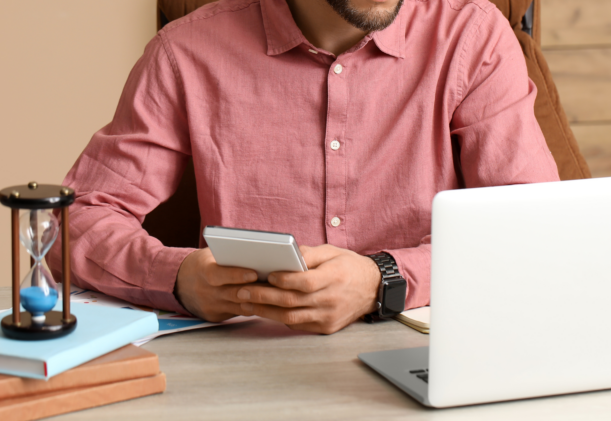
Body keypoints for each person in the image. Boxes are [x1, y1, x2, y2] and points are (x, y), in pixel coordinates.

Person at [49, 0, 559, 334]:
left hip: (424, 352)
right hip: (247, 363)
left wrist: (384, 279)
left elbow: (534, 228)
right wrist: (178, 277)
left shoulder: (472, 36)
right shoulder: (185, 52)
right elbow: (73, 221)